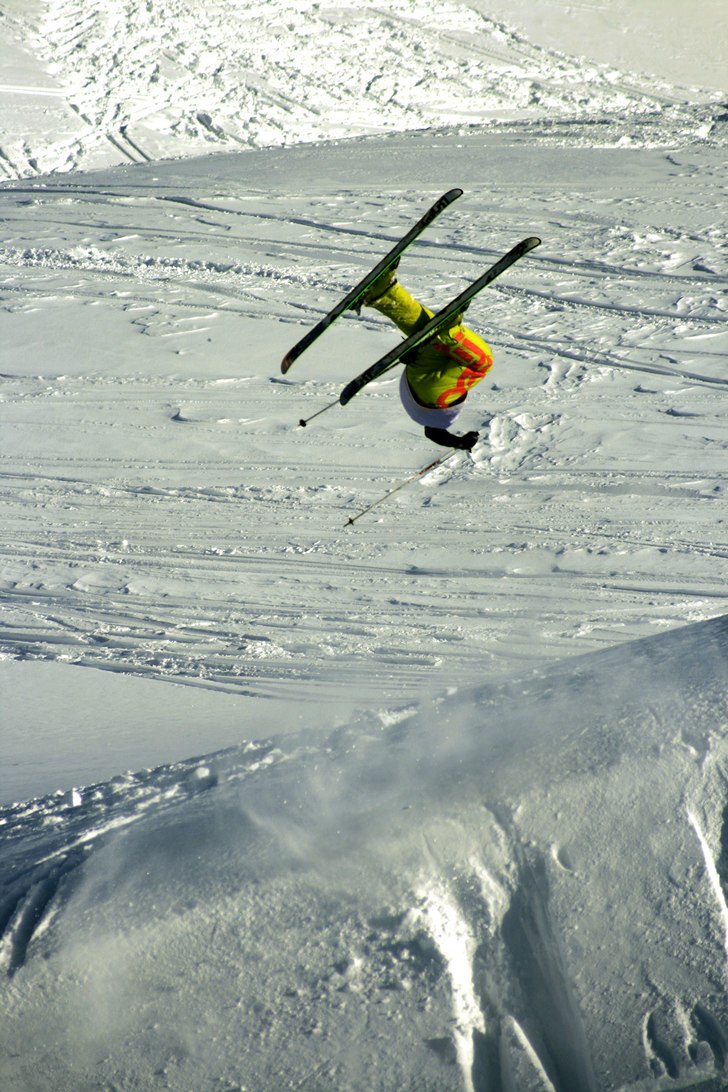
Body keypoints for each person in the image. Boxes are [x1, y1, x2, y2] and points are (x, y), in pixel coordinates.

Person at [356, 261, 493, 451]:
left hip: (436, 396)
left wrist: (458, 442)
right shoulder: (427, 420)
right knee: (427, 330)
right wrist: (457, 442)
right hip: (415, 381)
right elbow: (432, 433)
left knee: (481, 364)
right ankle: (382, 293)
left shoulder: (439, 416)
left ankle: (451, 332)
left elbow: (434, 432)